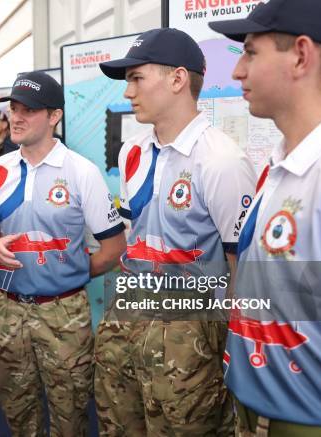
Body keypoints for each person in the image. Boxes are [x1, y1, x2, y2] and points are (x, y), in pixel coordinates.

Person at [97, 28, 257, 435]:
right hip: (127, 315)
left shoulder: (220, 161)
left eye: (137, 78)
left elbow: (243, 266)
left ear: (177, 79)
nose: (128, 92)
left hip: (189, 333)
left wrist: (236, 343)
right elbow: (137, 235)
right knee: (120, 421)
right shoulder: (131, 151)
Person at [209, 0, 321, 434]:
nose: (237, 71)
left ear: (301, 55)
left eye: (251, 53)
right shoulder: (286, 164)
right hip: (260, 411)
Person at [0, 71, 126, 437]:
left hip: (64, 315)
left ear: (54, 116)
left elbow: (115, 249)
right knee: (17, 410)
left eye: (29, 110)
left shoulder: (80, 172)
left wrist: (69, 275)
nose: (16, 117)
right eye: (13, 108)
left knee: (70, 414)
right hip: (7, 309)